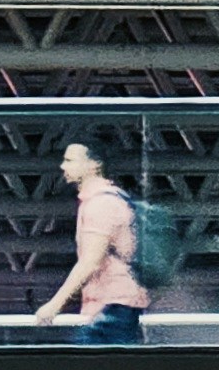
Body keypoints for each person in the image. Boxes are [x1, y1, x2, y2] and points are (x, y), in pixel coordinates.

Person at [31, 137, 150, 345]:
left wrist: (54, 305)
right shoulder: (108, 199)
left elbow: (90, 261)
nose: (63, 166)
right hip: (114, 305)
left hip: (113, 306)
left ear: (94, 164)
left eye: (70, 160)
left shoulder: (101, 203)